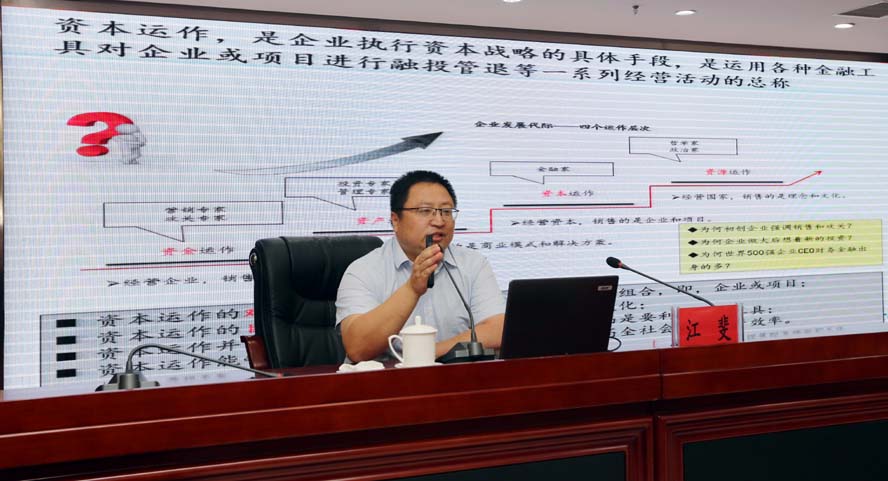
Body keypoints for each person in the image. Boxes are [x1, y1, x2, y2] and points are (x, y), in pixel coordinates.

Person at [336, 171, 505, 362]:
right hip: (389, 378)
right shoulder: (363, 271)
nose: (439, 221)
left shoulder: (473, 264)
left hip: (456, 375)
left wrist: (428, 353)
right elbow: (358, 348)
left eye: (446, 211)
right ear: (395, 220)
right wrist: (412, 288)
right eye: (425, 211)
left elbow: (498, 330)